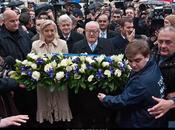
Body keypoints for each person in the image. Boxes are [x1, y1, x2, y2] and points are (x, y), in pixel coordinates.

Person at [97, 39, 166, 128]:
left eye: (137, 60)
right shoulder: (152, 63)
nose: (133, 65)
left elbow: (123, 101)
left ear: (147, 56)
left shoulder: (141, 83)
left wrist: (105, 99)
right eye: (130, 60)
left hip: (139, 122)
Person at [31, 19, 72, 128]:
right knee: (45, 110)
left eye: (52, 31)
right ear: (42, 32)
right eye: (46, 31)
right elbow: (31, 64)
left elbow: (67, 63)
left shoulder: (63, 43)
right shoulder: (35, 44)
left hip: (59, 83)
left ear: (55, 31)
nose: (49, 33)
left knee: (61, 110)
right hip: (42, 84)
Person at [148, 26, 175, 127]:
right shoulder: (153, 53)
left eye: (168, 42)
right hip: (153, 113)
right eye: (160, 41)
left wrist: (172, 102)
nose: (163, 45)